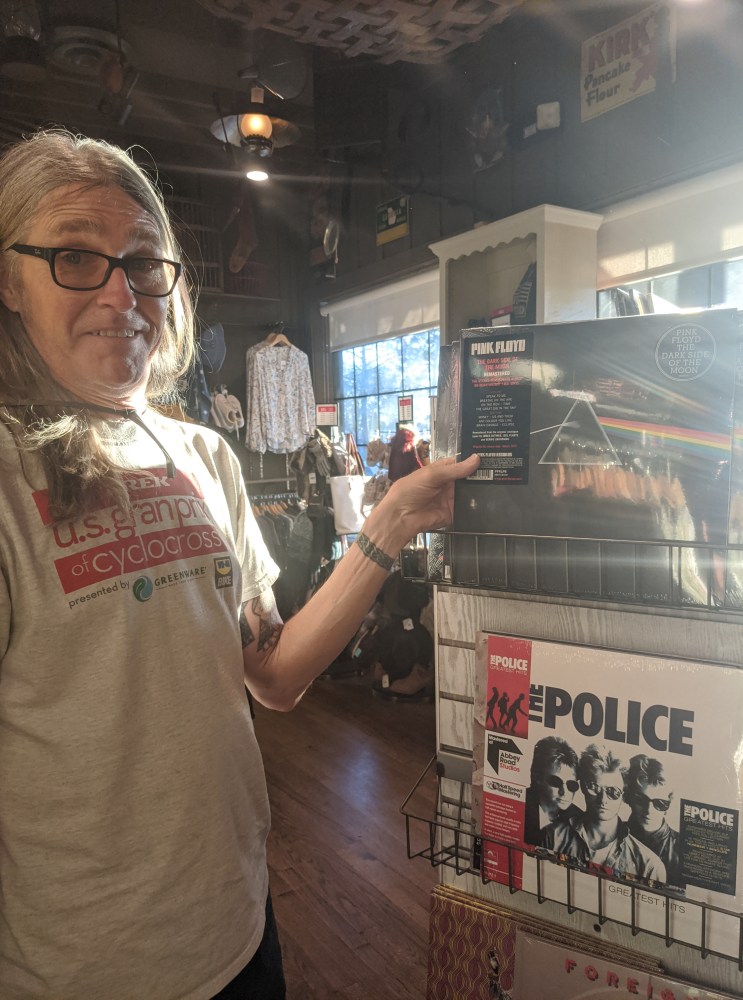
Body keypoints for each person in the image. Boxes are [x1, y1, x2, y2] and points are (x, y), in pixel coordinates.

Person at [0, 129, 480, 1000]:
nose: (121, 292)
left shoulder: (204, 457)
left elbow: (274, 674)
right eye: (76, 255)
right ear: (9, 276)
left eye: (143, 265)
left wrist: (396, 515)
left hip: (240, 933)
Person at [540, 744, 666, 884]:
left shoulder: (649, 865)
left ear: (623, 795)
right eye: (594, 787)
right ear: (582, 787)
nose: (603, 799)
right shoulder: (551, 837)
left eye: (613, 792)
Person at [625, 754, 683, 888]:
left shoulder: (683, 851)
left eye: (659, 803)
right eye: (641, 800)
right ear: (629, 799)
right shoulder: (610, 834)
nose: (649, 810)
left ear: (668, 805)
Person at [523, 736, 581, 847]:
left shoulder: (578, 818)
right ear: (537, 778)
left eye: (571, 785)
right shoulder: (518, 805)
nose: (564, 792)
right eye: (556, 782)